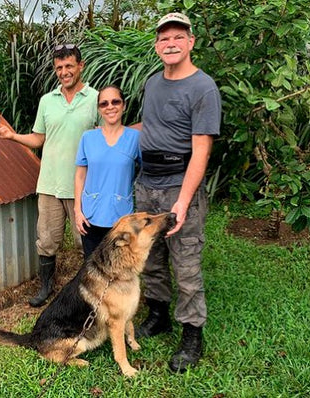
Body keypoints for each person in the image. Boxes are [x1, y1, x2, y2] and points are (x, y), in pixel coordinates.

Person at [132, 12, 221, 373]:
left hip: (178, 183)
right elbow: (148, 127)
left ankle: (191, 333)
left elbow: (201, 150)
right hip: (146, 183)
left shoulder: (203, 88)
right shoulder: (153, 83)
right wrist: (107, 134)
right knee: (150, 257)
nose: (170, 43)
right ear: (157, 45)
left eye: (177, 37)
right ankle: (158, 315)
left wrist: (182, 201)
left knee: (185, 263)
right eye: (164, 38)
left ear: (190, 42)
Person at [0, 44, 100, 307]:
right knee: (47, 240)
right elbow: (39, 139)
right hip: (50, 184)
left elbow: (104, 140)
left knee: (87, 241)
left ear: (80, 66)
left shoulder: (95, 98)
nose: (64, 72)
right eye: (59, 67)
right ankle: (46, 287)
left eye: (69, 66)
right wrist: (11, 136)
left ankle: (93, 291)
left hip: (82, 186)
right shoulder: (47, 101)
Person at [74, 85, 141, 260]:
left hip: (121, 216)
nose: (110, 107)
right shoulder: (88, 138)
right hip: (91, 214)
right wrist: (77, 210)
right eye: (104, 104)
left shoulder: (135, 138)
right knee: (93, 267)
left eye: (115, 102)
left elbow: (147, 171)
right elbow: (80, 175)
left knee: (119, 267)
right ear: (99, 109)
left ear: (123, 105)